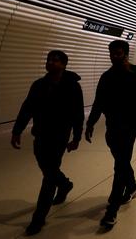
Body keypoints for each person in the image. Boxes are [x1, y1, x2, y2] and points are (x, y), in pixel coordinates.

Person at [11, 50, 84, 235]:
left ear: (64, 64)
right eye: (49, 60)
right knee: (47, 167)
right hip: (41, 134)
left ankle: (39, 218)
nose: (51, 62)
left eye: (55, 60)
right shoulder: (38, 85)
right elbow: (27, 107)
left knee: (49, 176)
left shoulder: (72, 86)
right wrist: (17, 130)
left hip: (60, 136)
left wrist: (76, 137)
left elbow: (77, 113)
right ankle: (65, 184)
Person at [85, 40, 136, 228]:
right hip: (112, 126)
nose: (114, 57)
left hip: (130, 126)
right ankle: (132, 187)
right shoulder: (107, 77)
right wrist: (90, 124)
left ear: (126, 54)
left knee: (120, 165)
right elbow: (99, 102)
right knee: (121, 160)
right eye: (112, 53)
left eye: (118, 53)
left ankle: (111, 211)